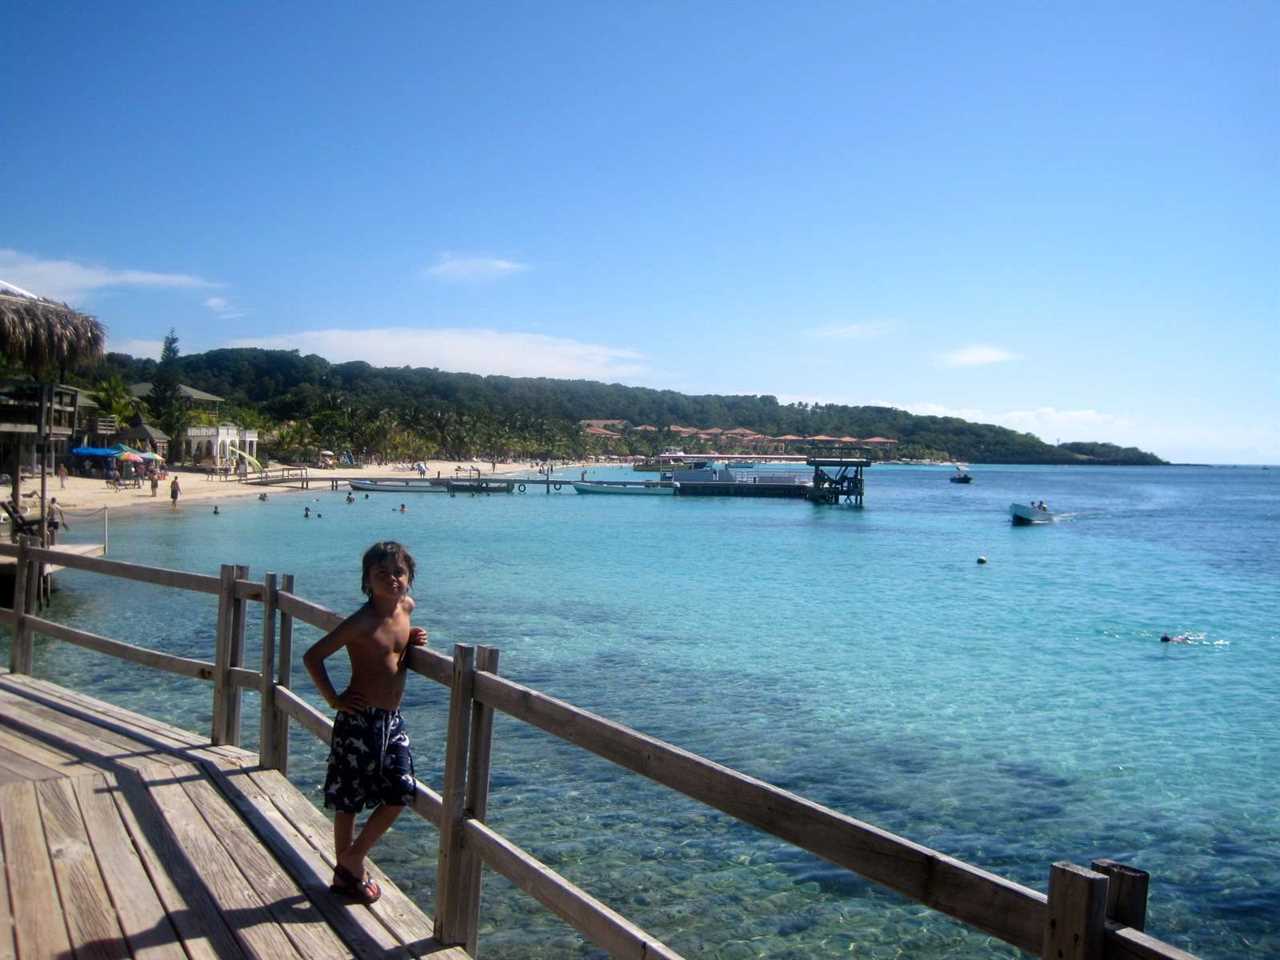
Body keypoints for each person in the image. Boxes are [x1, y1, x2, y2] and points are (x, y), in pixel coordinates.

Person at [303, 541, 428, 905]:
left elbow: (395, 649)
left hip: (392, 720)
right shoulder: (360, 622)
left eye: (398, 573)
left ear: (409, 579)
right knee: (349, 799)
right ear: (367, 581)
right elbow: (313, 656)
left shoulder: (407, 608)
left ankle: (352, 860)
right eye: (381, 574)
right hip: (358, 721)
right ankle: (347, 877)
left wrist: (413, 638)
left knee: (401, 790)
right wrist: (333, 699)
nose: (391, 579)